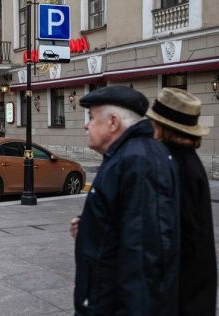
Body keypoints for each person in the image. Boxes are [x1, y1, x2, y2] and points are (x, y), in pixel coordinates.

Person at [72, 86, 180, 315]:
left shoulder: (138, 160)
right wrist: (90, 226)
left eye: (91, 117)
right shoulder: (125, 155)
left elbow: (143, 252)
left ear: (113, 122)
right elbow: (122, 220)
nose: (86, 124)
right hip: (103, 297)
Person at [146, 87, 217, 316]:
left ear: (165, 128)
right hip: (193, 282)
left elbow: (180, 233)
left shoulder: (176, 164)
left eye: (154, 122)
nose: (151, 127)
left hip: (183, 288)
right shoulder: (183, 159)